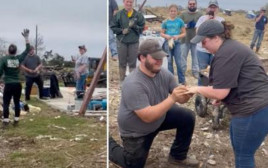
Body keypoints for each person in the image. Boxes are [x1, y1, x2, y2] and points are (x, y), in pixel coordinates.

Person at [188, 19, 268, 168]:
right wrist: (224, 98)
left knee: (244, 155)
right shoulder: (230, 48)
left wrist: (196, 89)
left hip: (253, 110)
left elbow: (219, 92)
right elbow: (236, 80)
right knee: (241, 151)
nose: (202, 46)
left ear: (216, 38)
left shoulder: (226, 53)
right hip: (257, 106)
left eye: (204, 42)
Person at [109, 39, 199, 168]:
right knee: (132, 164)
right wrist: (172, 98)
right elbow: (147, 116)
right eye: (155, 58)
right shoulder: (133, 83)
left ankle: (178, 157)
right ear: (142, 58)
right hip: (137, 130)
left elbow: (180, 99)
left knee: (187, 117)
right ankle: (109, 143)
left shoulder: (164, 73)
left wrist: (186, 95)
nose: (159, 61)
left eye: (161, 57)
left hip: (159, 116)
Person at [0, 29, 30, 129]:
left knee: (6, 102)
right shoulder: (18, 58)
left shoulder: (3, 59)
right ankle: (16, 120)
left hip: (8, 84)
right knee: (17, 102)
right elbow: (27, 50)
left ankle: (6, 121)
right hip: (17, 84)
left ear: (8, 51)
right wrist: (26, 38)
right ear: (16, 51)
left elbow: (0, 72)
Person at [110, 0, 145, 82]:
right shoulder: (118, 15)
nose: (129, 4)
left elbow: (142, 28)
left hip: (134, 42)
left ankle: (132, 82)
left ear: (133, 3)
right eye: (127, 2)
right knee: (122, 63)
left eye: (131, 2)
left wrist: (135, 26)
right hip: (122, 42)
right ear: (123, 2)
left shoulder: (138, 15)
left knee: (132, 63)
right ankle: (122, 81)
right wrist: (121, 31)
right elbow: (113, 27)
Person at [195, 0, 224, 85]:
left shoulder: (221, 20)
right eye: (211, 7)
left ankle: (212, 90)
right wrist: (206, 21)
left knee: (215, 71)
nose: (212, 9)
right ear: (208, 8)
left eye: (214, 7)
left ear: (217, 9)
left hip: (216, 51)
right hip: (202, 50)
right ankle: (201, 91)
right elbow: (197, 32)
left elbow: (222, 35)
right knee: (203, 71)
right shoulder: (202, 18)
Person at [161, 4, 186, 84]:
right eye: (171, 11)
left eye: (174, 11)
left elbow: (184, 33)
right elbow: (161, 33)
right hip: (167, 42)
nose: (173, 12)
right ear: (169, 12)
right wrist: (166, 35)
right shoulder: (165, 22)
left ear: (177, 12)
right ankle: (171, 81)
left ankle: (182, 81)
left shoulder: (180, 21)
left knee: (179, 62)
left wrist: (178, 36)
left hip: (177, 43)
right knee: (169, 62)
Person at [180, 0, 202, 79]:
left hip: (196, 40)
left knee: (195, 57)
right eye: (190, 4)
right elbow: (179, 25)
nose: (192, 5)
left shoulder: (200, 14)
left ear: (196, 4)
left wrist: (197, 25)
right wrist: (186, 25)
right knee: (183, 57)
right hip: (185, 39)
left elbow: (203, 25)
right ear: (188, 5)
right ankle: (182, 72)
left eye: (193, 4)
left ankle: (195, 72)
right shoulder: (183, 14)